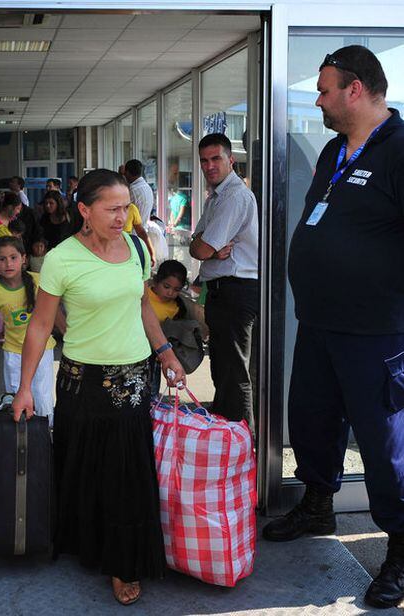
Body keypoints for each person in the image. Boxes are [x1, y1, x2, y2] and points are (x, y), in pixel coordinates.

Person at [261, 45, 404, 610]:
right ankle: (318, 503)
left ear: (355, 89)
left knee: (382, 442)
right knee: (313, 420)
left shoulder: (399, 151)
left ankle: (399, 549)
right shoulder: (331, 149)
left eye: (324, 90)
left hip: (377, 332)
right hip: (319, 322)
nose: (317, 99)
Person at [11, 168, 185, 607]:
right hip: (80, 383)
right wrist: (25, 387)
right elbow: (42, 325)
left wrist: (165, 352)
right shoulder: (63, 258)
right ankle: (90, 546)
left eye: (126, 207)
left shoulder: (135, 246)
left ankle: (123, 561)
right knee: (87, 471)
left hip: (131, 382)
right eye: (112, 208)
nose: (121, 216)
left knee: (125, 477)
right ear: (85, 211)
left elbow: (142, 304)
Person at [189, 133, 258, 433]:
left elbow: (202, 249)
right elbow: (196, 245)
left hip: (237, 291)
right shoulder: (216, 196)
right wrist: (205, 247)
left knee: (233, 375)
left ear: (231, 160)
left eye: (216, 159)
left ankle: (241, 447)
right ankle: (229, 441)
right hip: (222, 292)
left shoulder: (233, 196)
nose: (209, 166)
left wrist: (206, 248)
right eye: (204, 160)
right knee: (223, 371)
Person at [0, 237, 56, 425]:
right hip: (14, 353)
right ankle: (23, 442)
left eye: (13, 257)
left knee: (43, 398)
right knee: (17, 398)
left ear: (24, 259)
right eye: (2, 259)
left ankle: (45, 438)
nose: (8, 263)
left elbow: (55, 310)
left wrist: (67, 329)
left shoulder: (39, 280)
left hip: (43, 349)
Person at [146, 260, 188, 398]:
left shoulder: (176, 308)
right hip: (136, 352)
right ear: (156, 280)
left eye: (176, 290)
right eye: (166, 286)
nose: (170, 293)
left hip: (158, 357)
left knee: (152, 390)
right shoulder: (143, 296)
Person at [0, 191, 23, 344]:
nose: (18, 211)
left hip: (10, 265)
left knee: (11, 296)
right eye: (17, 208)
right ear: (9, 207)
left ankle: (6, 329)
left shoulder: (14, 220)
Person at [122, 202, 156, 267]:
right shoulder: (102, 208)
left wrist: (151, 252)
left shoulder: (131, 208)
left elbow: (141, 232)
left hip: (127, 252)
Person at [124, 159, 154, 227]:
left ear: (127, 173)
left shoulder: (132, 190)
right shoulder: (147, 187)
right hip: (143, 229)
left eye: (125, 173)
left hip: (132, 232)